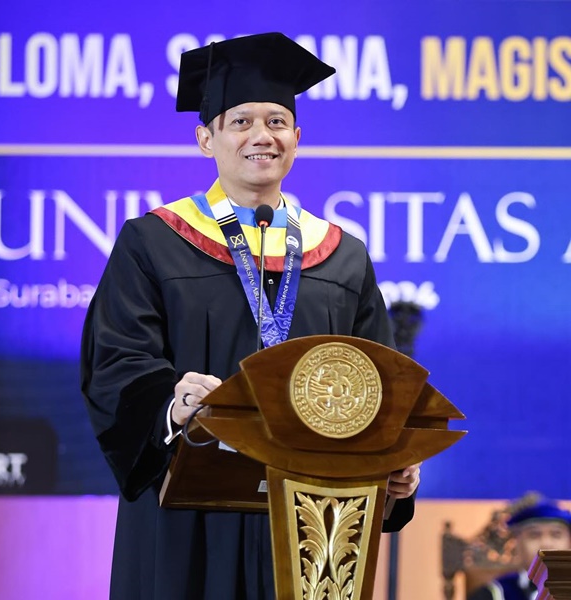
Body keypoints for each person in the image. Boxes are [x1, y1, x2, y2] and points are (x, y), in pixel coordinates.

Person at [79, 32, 422, 598]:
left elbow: (377, 380)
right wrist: (170, 401)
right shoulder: (153, 242)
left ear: (297, 138)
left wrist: (395, 462)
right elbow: (115, 361)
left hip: (313, 514)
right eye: (240, 121)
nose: (262, 136)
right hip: (190, 504)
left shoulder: (342, 254)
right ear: (205, 137)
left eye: (277, 121)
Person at [468, 498, 571, 600]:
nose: (546, 544)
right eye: (534, 535)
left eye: (556, 534)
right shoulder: (493, 594)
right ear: (517, 544)